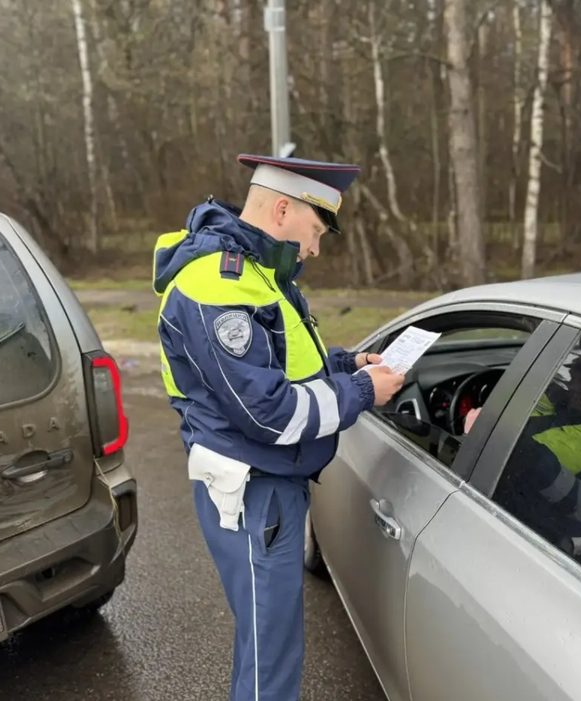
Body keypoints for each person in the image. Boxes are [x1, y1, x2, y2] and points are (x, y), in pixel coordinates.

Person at [153, 153, 405, 701]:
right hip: (253, 491)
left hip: (267, 487)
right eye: (315, 232)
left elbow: (282, 362)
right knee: (272, 653)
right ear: (284, 208)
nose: (315, 248)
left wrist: (347, 365)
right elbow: (269, 411)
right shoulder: (219, 285)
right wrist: (363, 393)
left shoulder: (258, 273)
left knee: (267, 638)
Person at [464, 335, 581, 556]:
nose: (574, 385)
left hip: (510, 539)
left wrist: (513, 446)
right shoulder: (543, 396)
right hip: (470, 494)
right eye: (575, 373)